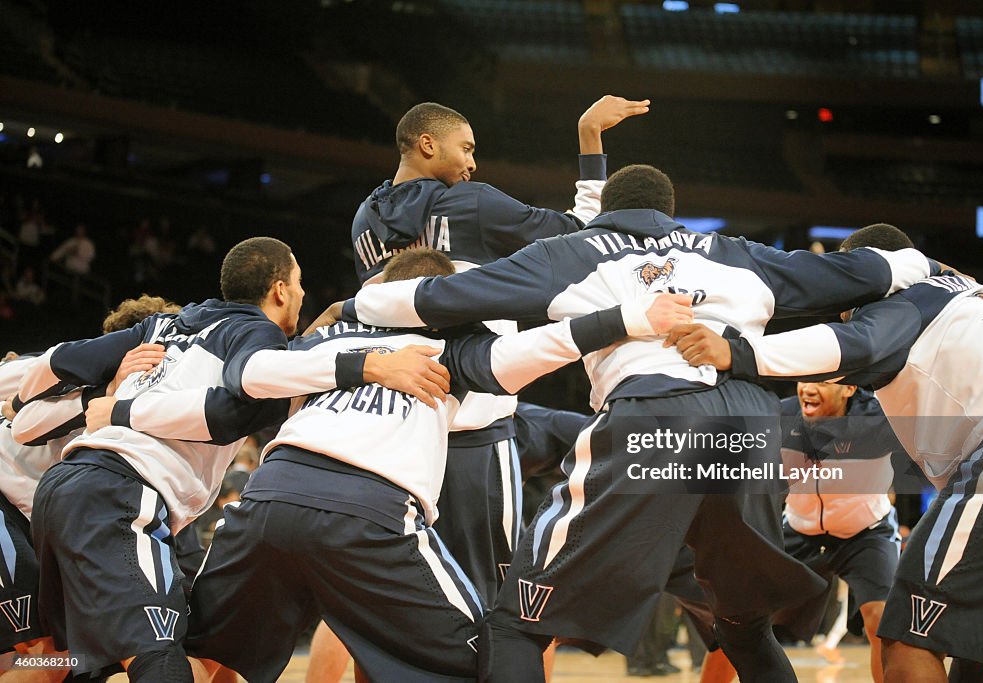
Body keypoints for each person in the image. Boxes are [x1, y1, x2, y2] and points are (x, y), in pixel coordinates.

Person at [345, 165, 941, 682]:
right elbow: (873, 273)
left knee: (514, 623)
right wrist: (923, 265)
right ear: (670, 212)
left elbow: (442, 296)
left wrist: (355, 307)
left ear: (607, 211)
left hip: (654, 415)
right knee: (743, 629)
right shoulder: (734, 251)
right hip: (749, 425)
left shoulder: (572, 251)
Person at [184, 247, 692, 683]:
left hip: (268, 497)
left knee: (205, 649)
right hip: (368, 510)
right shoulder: (447, 348)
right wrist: (632, 317)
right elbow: (545, 344)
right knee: (492, 655)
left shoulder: (322, 340)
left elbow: (244, 375)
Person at [16, 237, 445, 681]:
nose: (301, 294)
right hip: (121, 494)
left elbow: (59, 360)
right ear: (280, 290)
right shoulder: (258, 333)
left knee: (59, 660)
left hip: (64, 486)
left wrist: (85, 398)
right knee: (160, 656)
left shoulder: (165, 324)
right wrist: (366, 364)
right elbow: (228, 410)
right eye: (298, 284)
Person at [669, 223, 983, 680]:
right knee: (967, 628)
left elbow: (855, 342)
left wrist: (736, 351)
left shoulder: (904, 305)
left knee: (907, 633)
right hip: (803, 530)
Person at [0, 296, 180, 680]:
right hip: (9, 511)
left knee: (54, 656)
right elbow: (20, 418)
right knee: (46, 654)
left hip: (32, 517)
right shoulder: (67, 371)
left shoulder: (141, 403)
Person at [699, 382, 906, 683]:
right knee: (737, 617)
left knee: (881, 620)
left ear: (848, 388)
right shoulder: (780, 416)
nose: (808, 388)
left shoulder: (879, 416)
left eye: (822, 382)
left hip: (867, 532)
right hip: (798, 528)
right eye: (804, 379)